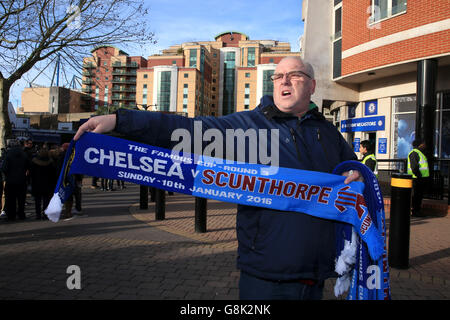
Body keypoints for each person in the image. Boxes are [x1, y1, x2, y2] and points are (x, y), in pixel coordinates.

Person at [74, 56, 362, 300]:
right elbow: (183, 128)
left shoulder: (328, 133)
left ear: (311, 85)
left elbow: (355, 170)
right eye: (278, 77)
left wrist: (357, 173)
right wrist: (120, 121)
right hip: (264, 276)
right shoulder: (248, 127)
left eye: (294, 75)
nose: (284, 81)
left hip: (316, 275)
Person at [1, 139, 30, 221]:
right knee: (21, 199)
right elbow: (29, 166)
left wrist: (7, 175)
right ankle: (21, 214)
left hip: (11, 180)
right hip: (22, 180)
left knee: (11, 199)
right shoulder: (23, 154)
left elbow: (4, 168)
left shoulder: (8, 154)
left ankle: (11, 215)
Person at [30, 146, 57, 219]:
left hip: (37, 183)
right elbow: (53, 174)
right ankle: (45, 214)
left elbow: (31, 174)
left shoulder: (34, 162)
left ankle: (38, 215)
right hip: (47, 184)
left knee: (37, 201)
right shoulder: (50, 162)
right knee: (46, 200)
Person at [407, 140, 430, 217]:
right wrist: (419, 175)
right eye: (423, 143)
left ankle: (417, 210)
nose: (424, 145)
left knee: (419, 196)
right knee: (416, 195)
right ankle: (415, 211)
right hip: (416, 178)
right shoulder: (414, 153)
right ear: (419, 145)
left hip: (420, 178)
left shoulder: (420, 153)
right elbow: (414, 167)